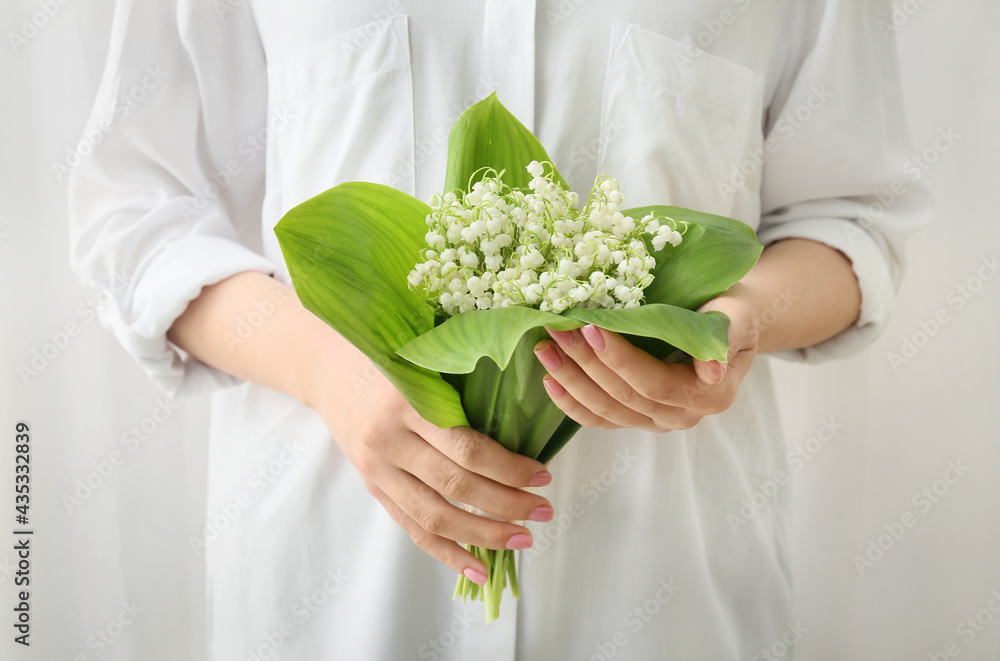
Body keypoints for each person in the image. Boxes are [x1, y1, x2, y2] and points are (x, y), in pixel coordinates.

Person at [68, 1, 930, 658]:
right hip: (331, 597)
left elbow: (850, 215)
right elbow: (139, 213)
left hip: (669, 596)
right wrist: (333, 377)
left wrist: (734, 324)